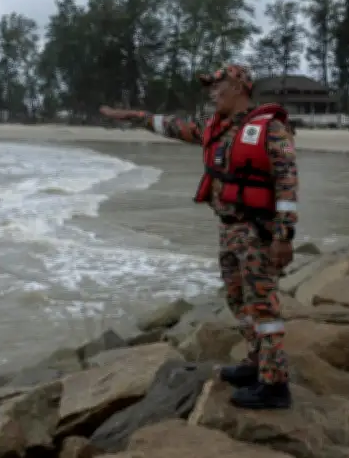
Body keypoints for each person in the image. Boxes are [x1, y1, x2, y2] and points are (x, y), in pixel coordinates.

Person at [99, 64, 297, 409]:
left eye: (216, 86)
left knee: (263, 306)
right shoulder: (216, 129)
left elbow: (287, 184)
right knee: (238, 301)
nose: (211, 93)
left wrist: (284, 236)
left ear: (238, 86)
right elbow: (172, 127)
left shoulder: (270, 129)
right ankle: (256, 363)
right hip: (229, 231)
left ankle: (275, 385)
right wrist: (134, 115)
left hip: (257, 233)